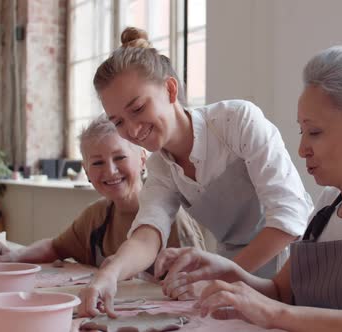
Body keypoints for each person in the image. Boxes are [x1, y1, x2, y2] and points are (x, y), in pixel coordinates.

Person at [157, 46, 342, 332]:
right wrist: (228, 271)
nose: (302, 149)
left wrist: (278, 315)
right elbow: (280, 293)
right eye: (302, 132)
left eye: (315, 132)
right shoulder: (327, 206)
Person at [77, 27, 312, 317]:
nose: (133, 130)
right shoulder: (161, 166)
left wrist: (222, 276)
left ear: (170, 89)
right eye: (118, 122)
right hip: (231, 269)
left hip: (292, 266)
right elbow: (147, 235)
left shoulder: (237, 121)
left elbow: (290, 217)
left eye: (137, 109)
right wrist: (109, 274)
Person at [0, 114, 205, 268]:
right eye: (97, 163)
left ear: (142, 159)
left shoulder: (171, 216)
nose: (110, 171)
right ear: (86, 170)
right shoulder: (96, 215)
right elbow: (55, 248)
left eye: (120, 158)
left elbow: (197, 280)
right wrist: (13, 255)